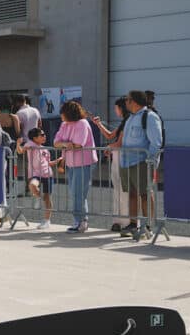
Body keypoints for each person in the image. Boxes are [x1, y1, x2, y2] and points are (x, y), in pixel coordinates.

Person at [117, 90, 163, 240]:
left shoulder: (149, 117)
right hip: (127, 162)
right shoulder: (130, 118)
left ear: (135, 101)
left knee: (145, 194)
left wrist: (150, 162)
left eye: (128, 100)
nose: (126, 102)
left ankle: (148, 226)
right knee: (131, 194)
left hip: (142, 162)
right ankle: (132, 224)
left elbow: (156, 142)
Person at [54, 99, 98, 232]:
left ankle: (80, 221)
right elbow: (56, 142)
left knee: (78, 193)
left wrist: (65, 143)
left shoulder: (82, 123)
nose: (61, 116)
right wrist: (67, 144)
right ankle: (81, 221)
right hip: (71, 163)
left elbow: (78, 144)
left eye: (63, 113)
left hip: (84, 163)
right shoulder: (64, 124)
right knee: (75, 193)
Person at [92, 97, 130, 231]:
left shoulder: (128, 122)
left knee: (122, 191)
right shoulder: (124, 122)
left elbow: (119, 143)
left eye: (116, 108)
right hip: (118, 158)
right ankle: (118, 221)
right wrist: (99, 124)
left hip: (123, 159)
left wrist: (109, 147)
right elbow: (110, 136)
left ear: (121, 108)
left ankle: (125, 222)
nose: (115, 110)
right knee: (118, 190)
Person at [17, 127, 58, 228]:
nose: (44, 136)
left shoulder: (45, 149)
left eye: (44, 135)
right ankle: (39, 197)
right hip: (35, 173)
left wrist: (58, 161)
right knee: (32, 185)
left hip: (47, 173)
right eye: (42, 135)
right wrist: (18, 144)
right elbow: (20, 151)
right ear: (34, 138)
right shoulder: (30, 144)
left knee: (48, 197)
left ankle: (47, 221)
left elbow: (48, 162)